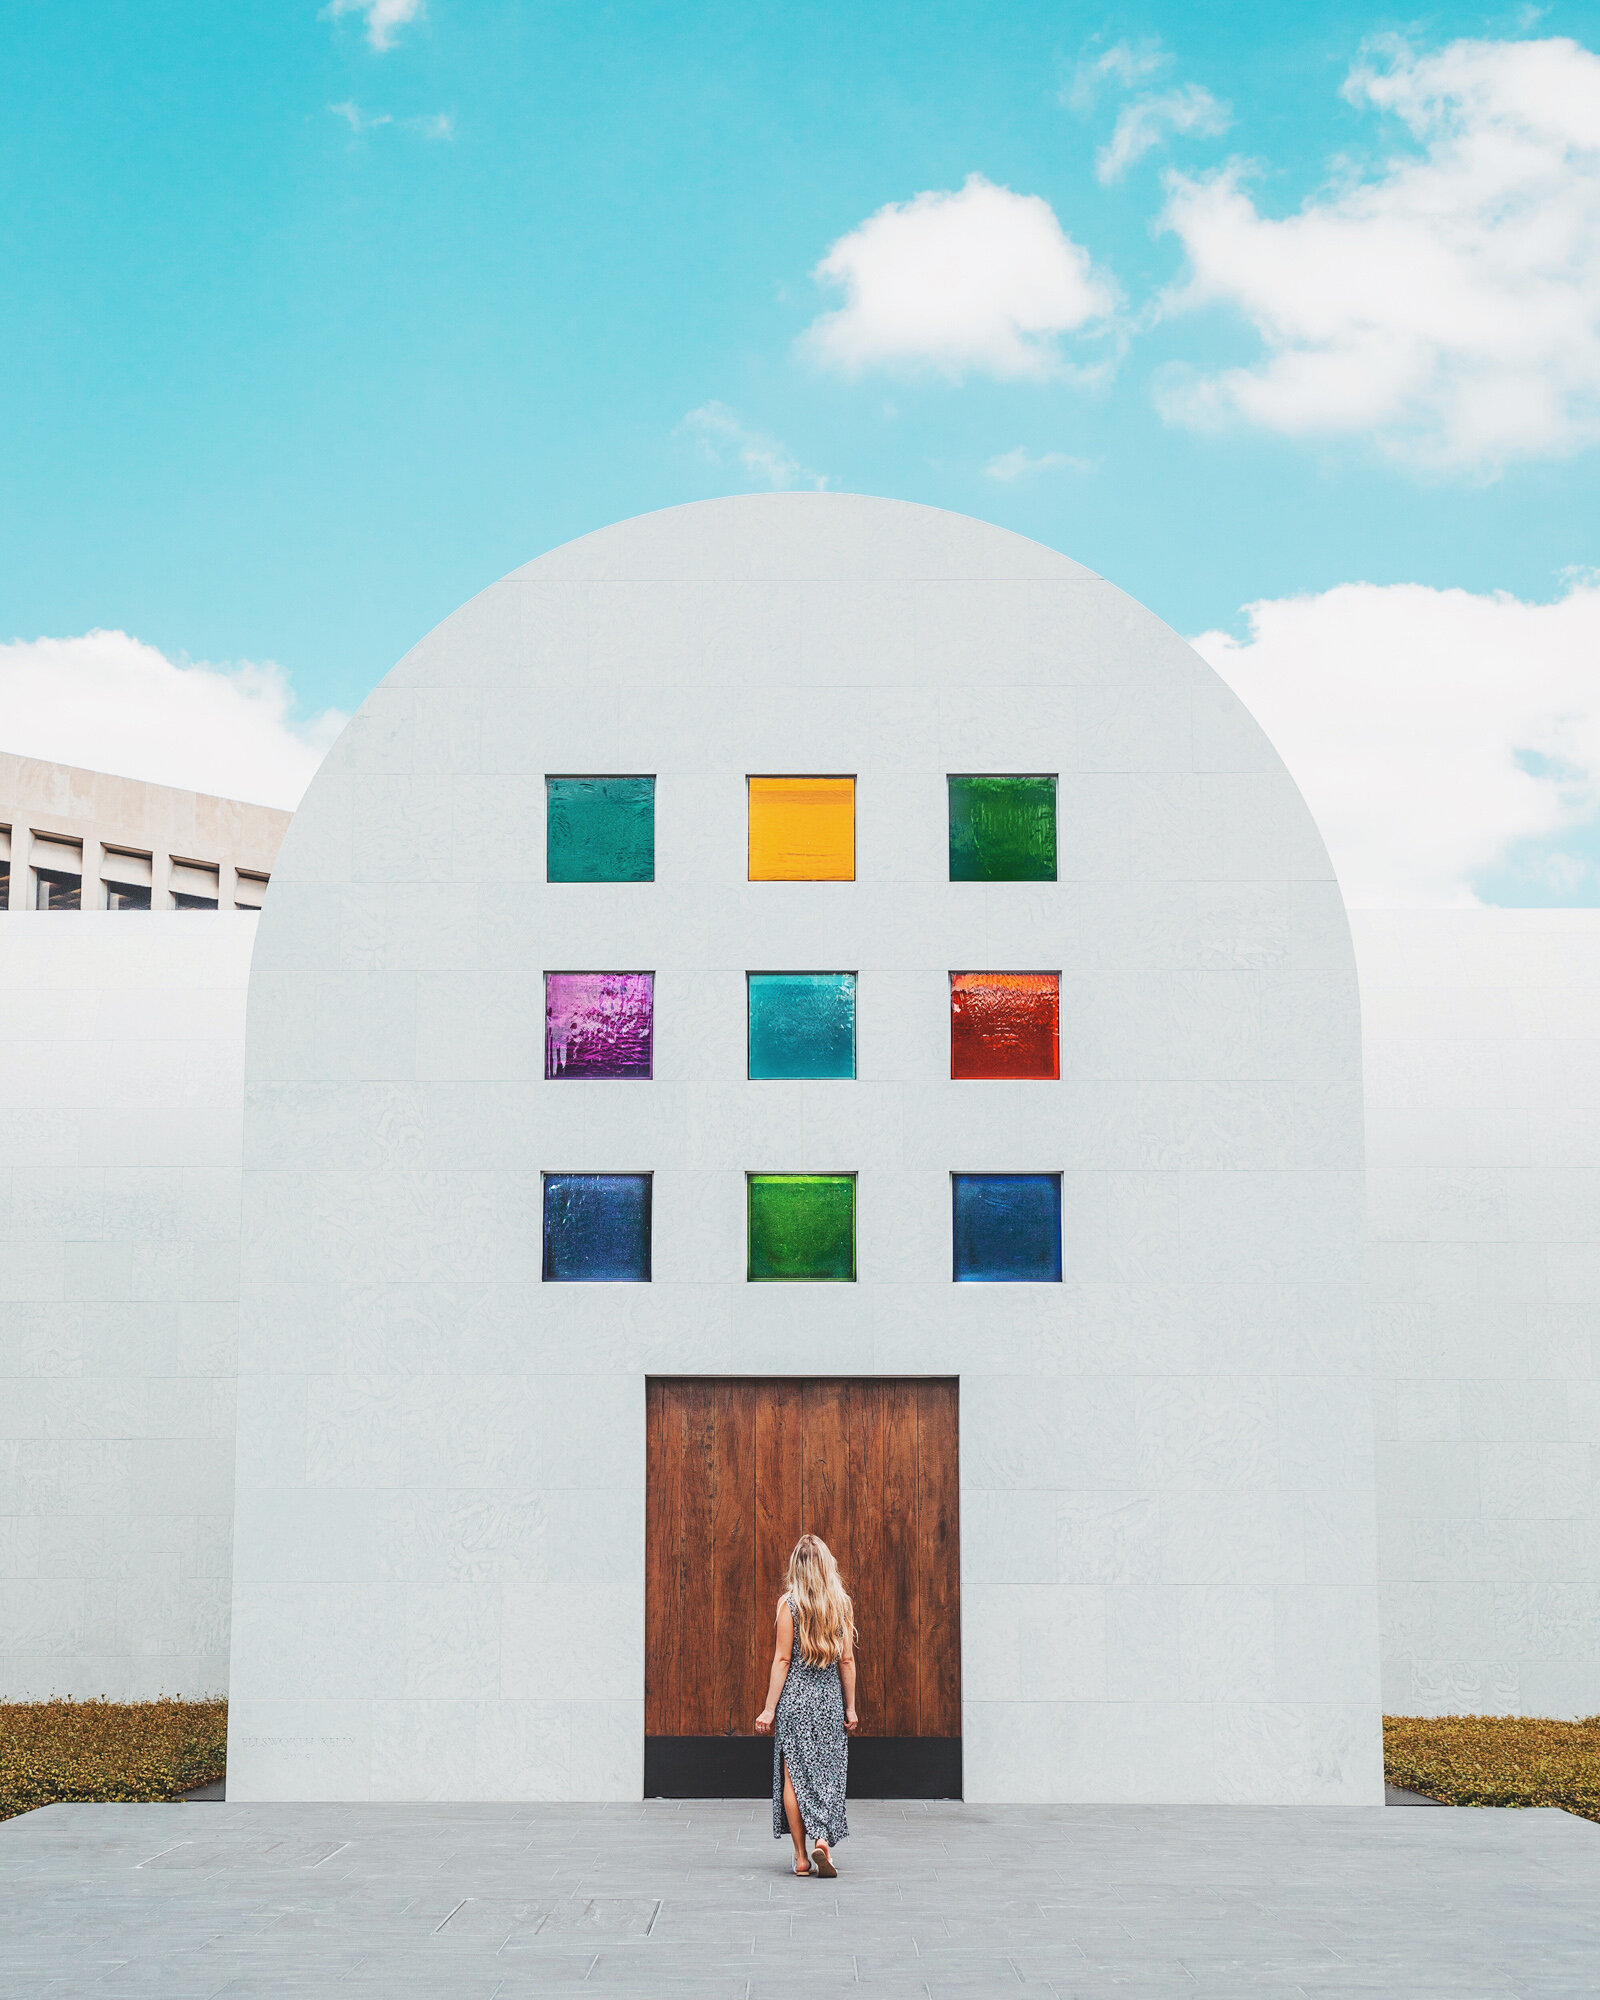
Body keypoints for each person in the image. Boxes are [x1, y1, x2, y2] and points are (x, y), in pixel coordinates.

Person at [755, 1532, 858, 1878]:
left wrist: (769, 1709)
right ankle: (822, 1839)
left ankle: (800, 1856)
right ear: (827, 1565)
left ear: (795, 1567)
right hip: (829, 1701)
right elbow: (846, 1661)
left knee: (794, 1778)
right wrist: (851, 1708)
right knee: (828, 1775)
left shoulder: (789, 1605)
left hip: (796, 1703)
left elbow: (783, 1660)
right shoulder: (841, 1604)